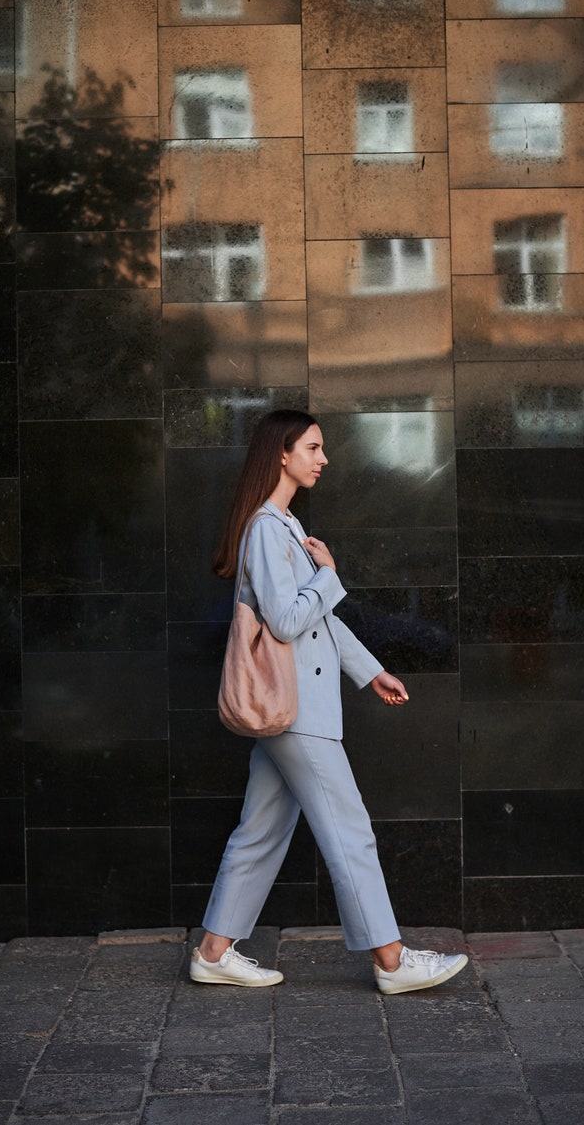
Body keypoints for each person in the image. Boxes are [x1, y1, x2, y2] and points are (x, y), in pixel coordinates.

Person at [190, 409, 469, 995]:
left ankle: (214, 951)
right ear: (281, 455)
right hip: (297, 711)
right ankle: (392, 961)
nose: (323, 459)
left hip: (294, 707)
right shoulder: (268, 529)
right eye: (313, 448)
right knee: (350, 832)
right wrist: (329, 575)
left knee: (261, 830)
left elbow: (318, 626)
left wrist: (371, 672)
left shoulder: (285, 525)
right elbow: (290, 622)